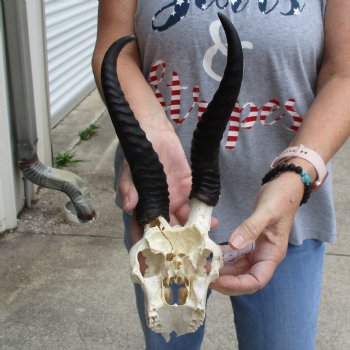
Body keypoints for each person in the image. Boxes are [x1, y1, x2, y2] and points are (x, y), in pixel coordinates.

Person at [92, 1, 350, 349]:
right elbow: (115, 47)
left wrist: (296, 171)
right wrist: (147, 131)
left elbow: (344, 73)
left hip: (285, 214)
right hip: (163, 212)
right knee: (169, 334)